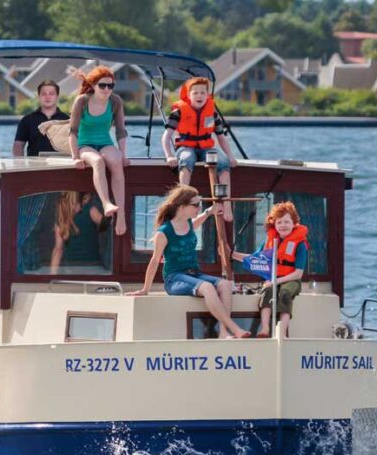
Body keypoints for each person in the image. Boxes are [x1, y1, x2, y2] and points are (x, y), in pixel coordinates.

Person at [128, 185, 250, 339]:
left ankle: (223, 332)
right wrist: (145, 289)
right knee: (207, 288)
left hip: (194, 274)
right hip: (175, 279)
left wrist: (209, 212)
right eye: (196, 205)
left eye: (200, 204)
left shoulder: (189, 225)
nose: (199, 208)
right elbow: (154, 261)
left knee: (225, 285)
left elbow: (199, 219)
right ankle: (235, 329)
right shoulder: (164, 232)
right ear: (182, 207)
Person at [161, 77, 238, 222]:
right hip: (185, 146)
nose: (199, 96)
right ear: (189, 95)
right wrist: (169, 156)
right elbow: (166, 137)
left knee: (223, 162)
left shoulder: (212, 113)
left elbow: (221, 138)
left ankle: (226, 203)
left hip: (206, 147)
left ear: (207, 95)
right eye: (195, 93)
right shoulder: (179, 112)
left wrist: (231, 156)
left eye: (203, 93)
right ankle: (182, 203)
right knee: (186, 159)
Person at [232, 201, 308, 338]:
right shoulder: (270, 241)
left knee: (284, 293)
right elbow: (255, 259)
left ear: (294, 223)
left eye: (286, 222)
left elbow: (298, 274)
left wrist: (276, 281)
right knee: (267, 291)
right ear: (274, 224)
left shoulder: (300, 245)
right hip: (273, 279)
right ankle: (265, 329)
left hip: (291, 280)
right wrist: (232, 254)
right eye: (279, 222)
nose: (283, 225)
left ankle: (282, 332)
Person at [68, 66, 129, 236]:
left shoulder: (115, 101)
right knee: (98, 161)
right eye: (102, 85)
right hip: (85, 144)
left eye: (111, 86)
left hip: (105, 142)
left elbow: (121, 131)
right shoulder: (82, 101)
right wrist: (75, 157)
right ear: (93, 85)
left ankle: (121, 215)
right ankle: (107, 203)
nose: (107, 89)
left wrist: (123, 155)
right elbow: (73, 132)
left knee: (116, 161)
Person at [50, 191, 105, 274]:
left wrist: (50, 278)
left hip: (71, 268)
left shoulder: (62, 215)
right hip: (92, 267)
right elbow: (109, 226)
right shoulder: (90, 210)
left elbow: (58, 250)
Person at [13, 80, 70, 157]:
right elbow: (18, 145)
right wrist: (19, 164)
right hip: (35, 166)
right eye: (44, 94)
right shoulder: (27, 120)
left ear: (57, 97)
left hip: (61, 165)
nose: (47, 97)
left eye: (51, 94)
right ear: (39, 96)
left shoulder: (66, 120)